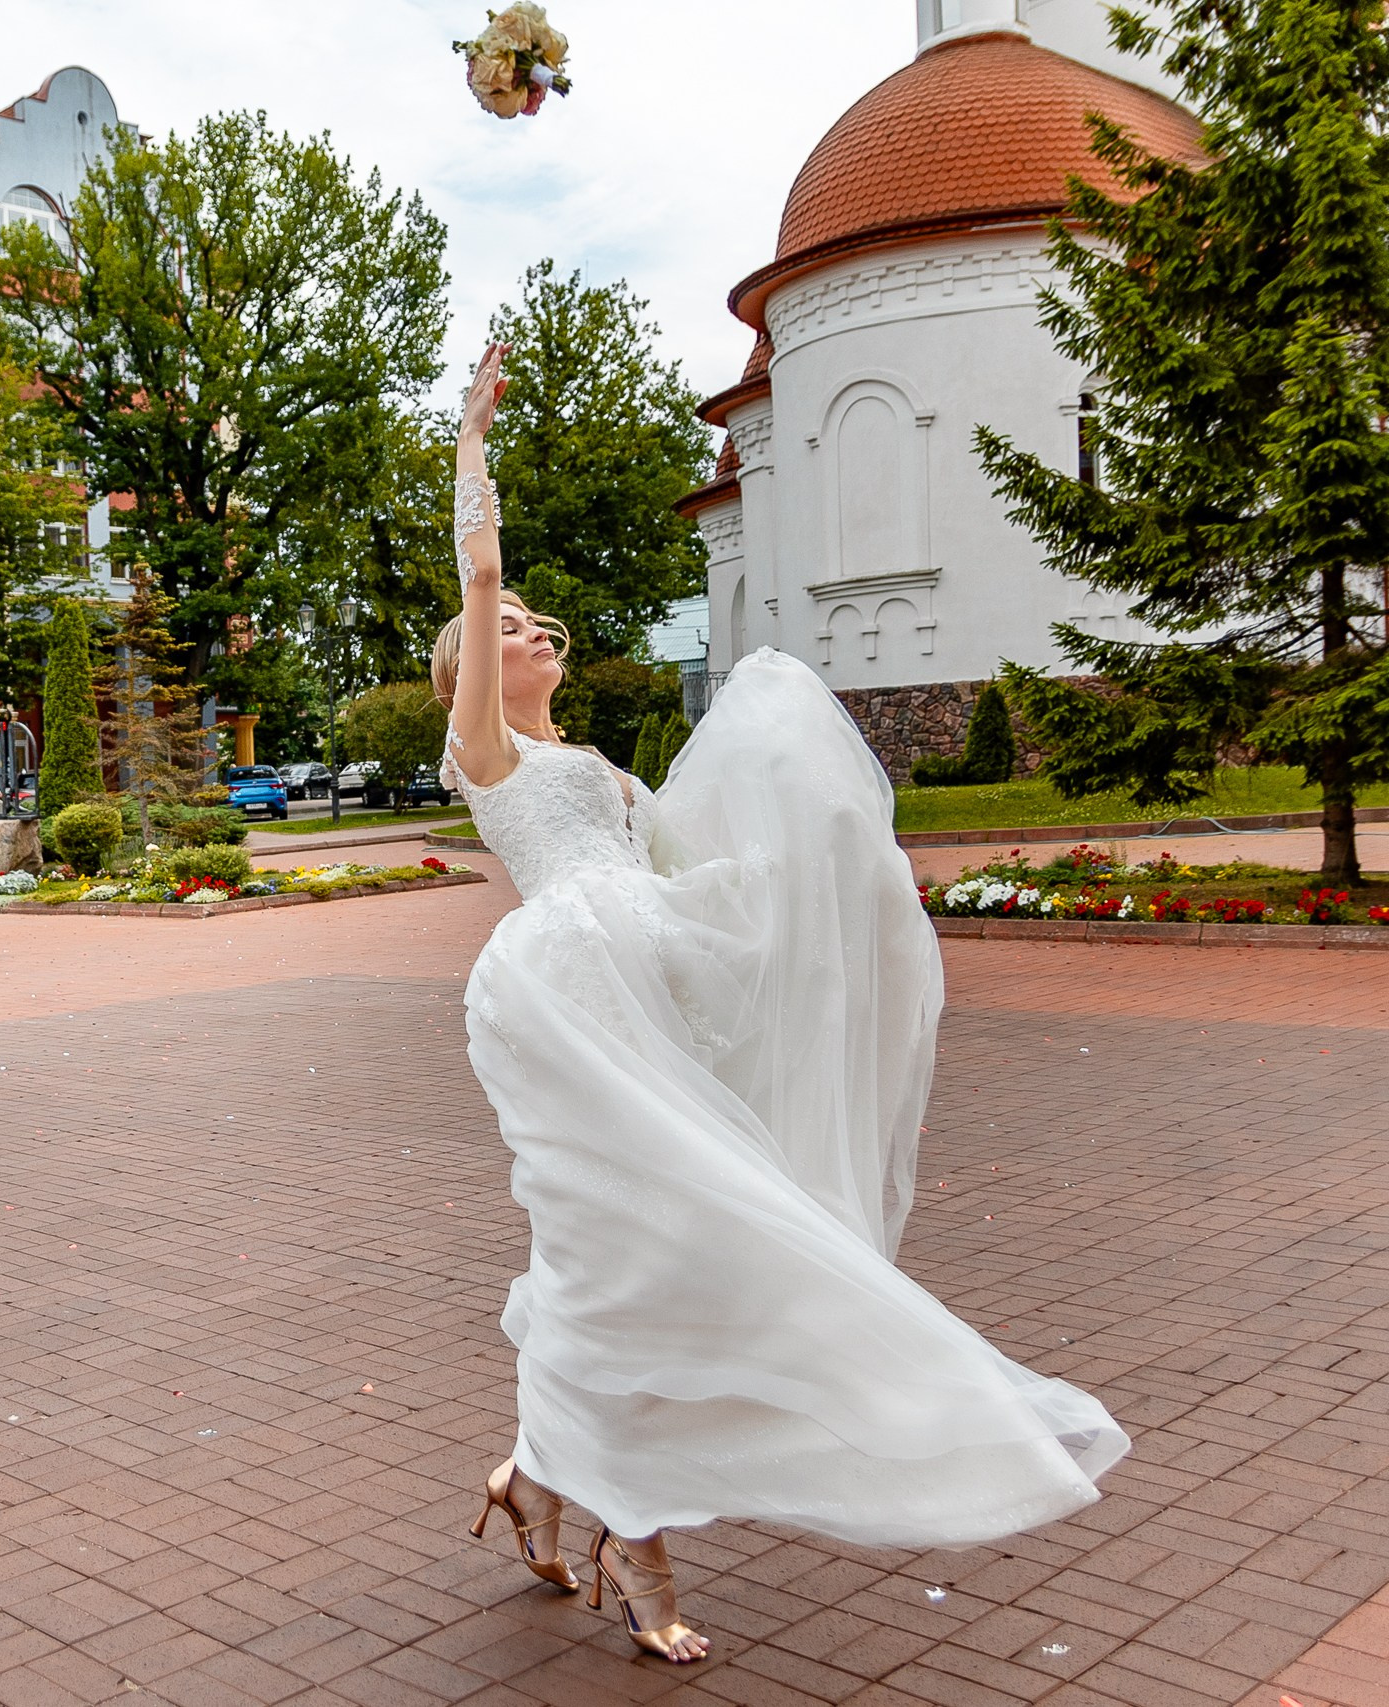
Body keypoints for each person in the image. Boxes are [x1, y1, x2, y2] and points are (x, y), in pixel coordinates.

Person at [440, 342, 1125, 1662]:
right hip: (565, 1003)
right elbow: (476, 572)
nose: (522, 628)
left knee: (649, 1250)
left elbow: (690, 874)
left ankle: (536, 1476)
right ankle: (630, 1534)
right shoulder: (485, 751)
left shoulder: (597, 764)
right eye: (504, 626)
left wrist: (826, 867)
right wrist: (473, 435)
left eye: (531, 625)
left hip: (649, 988)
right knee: (622, 1246)